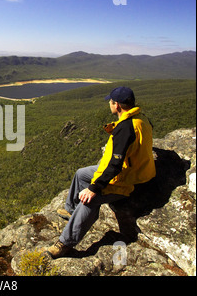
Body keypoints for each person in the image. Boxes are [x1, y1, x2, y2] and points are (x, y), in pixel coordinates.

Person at [47, 86, 156, 259]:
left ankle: (64, 244)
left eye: (111, 102)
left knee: (89, 200)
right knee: (81, 174)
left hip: (127, 179)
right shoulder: (141, 118)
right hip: (134, 170)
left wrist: (94, 188)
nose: (109, 105)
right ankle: (71, 210)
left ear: (117, 106)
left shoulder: (125, 129)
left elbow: (116, 165)